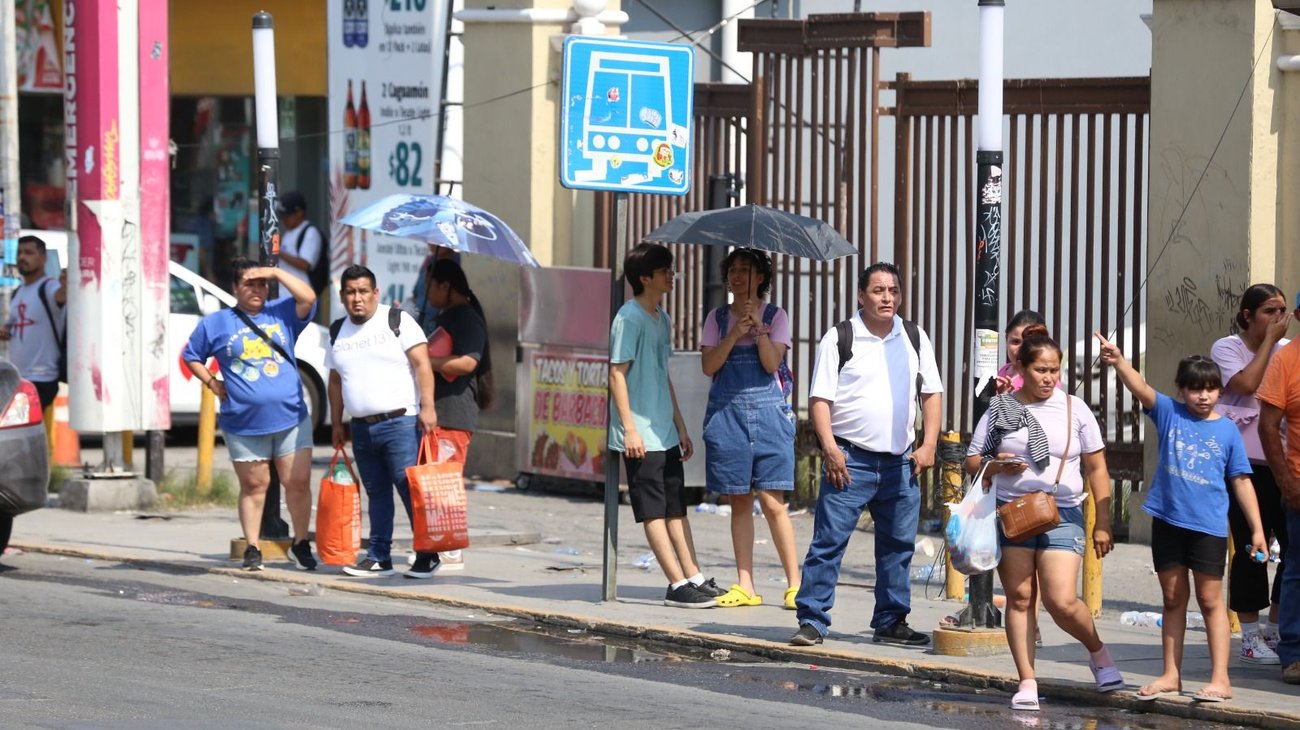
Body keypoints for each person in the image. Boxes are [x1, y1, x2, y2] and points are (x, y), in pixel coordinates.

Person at [1097, 334, 1267, 702]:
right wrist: (1118, 361)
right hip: (1168, 523)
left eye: (1210, 389)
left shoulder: (1227, 431)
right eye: (1195, 390)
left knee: (1210, 602)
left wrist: (1256, 530)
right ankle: (1170, 675)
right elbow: (1140, 388)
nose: (1203, 397)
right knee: (1173, 599)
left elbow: (1241, 480)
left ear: (1220, 392)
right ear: (1181, 390)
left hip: (1207, 528)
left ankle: (1220, 678)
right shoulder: (1169, 413)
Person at [964, 325, 1122, 711]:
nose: (1049, 378)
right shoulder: (1001, 409)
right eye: (1041, 370)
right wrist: (996, 465)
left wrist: (1103, 520)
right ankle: (1027, 680)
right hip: (1013, 513)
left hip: (1061, 511)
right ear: (1021, 367)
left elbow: (1098, 469)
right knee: (1020, 598)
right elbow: (971, 460)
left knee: (1061, 599)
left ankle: (1098, 651)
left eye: (1055, 370)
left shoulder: (1075, 408)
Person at [791, 262, 942, 647]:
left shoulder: (913, 336)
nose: (887, 297)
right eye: (878, 290)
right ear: (862, 296)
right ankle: (812, 619)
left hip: (900, 462)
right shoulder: (840, 337)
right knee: (829, 542)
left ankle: (892, 620)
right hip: (850, 459)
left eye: (893, 290)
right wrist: (830, 450)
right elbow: (820, 399)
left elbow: (931, 394)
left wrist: (928, 445)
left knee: (898, 545)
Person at [181, 258, 319, 573]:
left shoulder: (282, 313)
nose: (257, 290)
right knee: (255, 486)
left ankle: (300, 543)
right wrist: (212, 382)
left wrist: (275, 272)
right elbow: (191, 355)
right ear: (235, 287)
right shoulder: (216, 323)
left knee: (296, 482)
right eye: (249, 284)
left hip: (291, 418)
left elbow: (309, 298)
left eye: (262, 284)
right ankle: (253, 546)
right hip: (243, 423)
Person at [609, 242, 724, 609]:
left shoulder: (662, 317)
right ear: (645, 278)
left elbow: (663, 376)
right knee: (653, 509)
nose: (671, 276)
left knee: (676, 505)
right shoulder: (629, 318)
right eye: (664, 271)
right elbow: (616, 374)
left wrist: (680, 426)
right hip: (640, 431)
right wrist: (629, 428)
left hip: (664, 430)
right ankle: (675, 584)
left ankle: (693, 576)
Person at [699, 248, 800, 609]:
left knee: (774, 502)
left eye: (746, 270)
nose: (738, 277)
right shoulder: (715, 317)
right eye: (733, 271)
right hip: (727, 417)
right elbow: (709, 366)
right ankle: (746, 585)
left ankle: (794, 585)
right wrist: (731, 334)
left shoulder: (777, 316)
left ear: (761, 278)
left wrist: (758, 329)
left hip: (770, 416)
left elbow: (773, 362)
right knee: (739, 501)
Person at [328, 265, 441, 578]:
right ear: (342, 296)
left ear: (375, 293)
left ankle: (428, 554)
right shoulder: (338, 331)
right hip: (361, 426)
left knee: (408, 488)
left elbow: (422, 366)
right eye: (350, 292)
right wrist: (337, 423)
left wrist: (428, 407)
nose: (357, 298)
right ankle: (379, 556)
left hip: (400, 423)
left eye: (363, 291)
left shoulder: (397, 321)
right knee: (376, 492)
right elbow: (335, 381)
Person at [1210, 283, 1290, 665]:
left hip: (1281, 460)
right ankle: (1249, 632)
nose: (1279, 318)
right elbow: (1246, 384)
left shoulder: (1288, 352)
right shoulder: (1227, 348)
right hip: (1241, 464)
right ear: (1247, 315)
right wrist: (1269, 344)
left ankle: (1275, 624)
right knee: (1251, 546)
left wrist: (1277, 345)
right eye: (1270, 311)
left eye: (1283, 311)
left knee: (1290, 544)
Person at [424, 258, 493, 570]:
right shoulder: (448, 315)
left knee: (446, 480)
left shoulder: (466, 318)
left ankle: (450, 548)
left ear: (445, 286)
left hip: (455, 413)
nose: (427, 292)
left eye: (430, 284)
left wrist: (428, 363)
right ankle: (438, 543)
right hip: (441, 412)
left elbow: (468, 362)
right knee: (435, 479)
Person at [1255, 290, 1300, 686]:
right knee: (1297, 570)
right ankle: (1295, 653)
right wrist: (1287, 482)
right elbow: (1267, 425)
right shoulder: (1286, 360)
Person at [0, 235, 65, 411]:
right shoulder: (18, 292)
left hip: (41, 379)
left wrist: (67, 282)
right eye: (19, 253)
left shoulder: (49, 287)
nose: (22, 257)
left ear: (43, 258)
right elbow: (13, 324)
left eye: (29, 253)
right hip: (18, 377)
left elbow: (61, 296)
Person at [275, 191, 322, 291]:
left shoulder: (310, 232)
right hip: (285, 290)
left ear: (299, 213)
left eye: (286, 216)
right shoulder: (289, 232)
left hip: (301, 291)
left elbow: (305, 264)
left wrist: (278, 251)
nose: (283, 220)